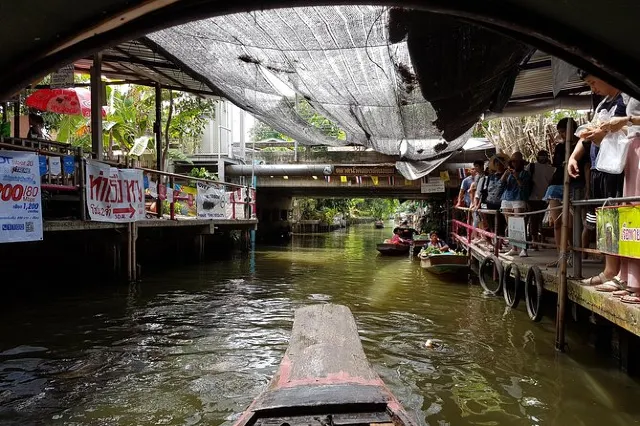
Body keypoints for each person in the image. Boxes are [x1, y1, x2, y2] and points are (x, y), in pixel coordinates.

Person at [568, 70, 627, 285]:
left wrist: (604, 136)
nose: (593, 88)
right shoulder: (603, 104)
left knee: (618, 217)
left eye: (594, 82)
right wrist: (574, 156)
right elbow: (586, 134)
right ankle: (610, 269)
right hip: (597, 168)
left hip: (616, 168)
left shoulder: (626, 101)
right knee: (605, 219)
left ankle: (620, 272)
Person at [587, 97, 640, 303]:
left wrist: (626, 120)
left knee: (636, 212)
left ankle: (635, 284)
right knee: (631, 216)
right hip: (632, 148)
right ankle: (630, 281)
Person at [543, 118, 591, 267]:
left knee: (571, 223)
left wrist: (588, 188)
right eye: (560, 132)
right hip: (557, 185)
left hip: (576, 185)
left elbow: (586, 167)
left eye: (564, 131)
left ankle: (572, 253)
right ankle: (561, 256)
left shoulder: (584, 144)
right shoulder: (559, 148)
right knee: (557, 222)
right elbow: (557, 166)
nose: (562, 135)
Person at [501, 151, 531, 257]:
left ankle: (523, 248)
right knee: (510, 225)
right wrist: (506, 174)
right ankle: (514, 248)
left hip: (519, 198)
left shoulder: (525, 173)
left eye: (517, 161)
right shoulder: (508, 172)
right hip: (507, 198)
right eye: (513, 161)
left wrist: (516, 177)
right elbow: (501, 184)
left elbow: (524, 187)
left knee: (520, 224)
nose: (515, 163)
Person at [525, 150, 554, 249]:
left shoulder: (532, 166)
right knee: (538, 218)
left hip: (537, 197)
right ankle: (537, 239)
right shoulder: (550, 169)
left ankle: (536, 240)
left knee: (535, 219)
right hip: (539, 197)